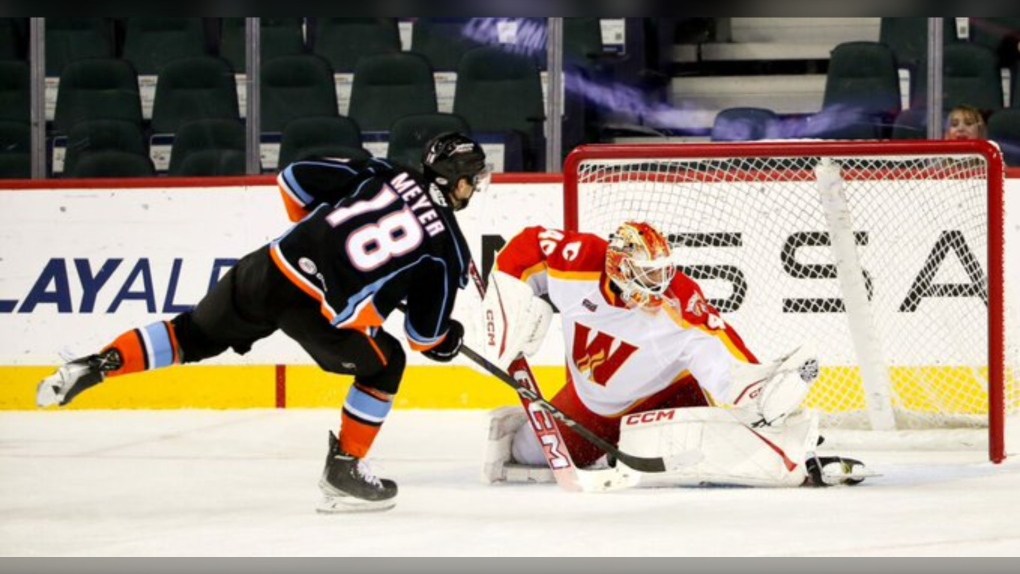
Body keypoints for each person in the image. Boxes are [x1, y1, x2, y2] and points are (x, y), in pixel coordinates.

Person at [35, 132, 492, 513]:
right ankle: (344, 469)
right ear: (457, 181)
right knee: (386, 363)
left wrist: (315, 236)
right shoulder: (447, 249)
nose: (474, 188)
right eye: (473, 180)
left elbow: (293, 180)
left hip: (270, 269)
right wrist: (449, 340)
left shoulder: (383, 172)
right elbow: (423, 336)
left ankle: (102, 362)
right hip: (320, 315)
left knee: (192, 333)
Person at [478, 221, 868, 488]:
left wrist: (759, 392)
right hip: (590, 403)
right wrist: (506, 304)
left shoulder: (680, 304)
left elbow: (725, 354)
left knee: (724, 437)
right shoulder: (576, 261)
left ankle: (804, 460)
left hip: (668, 395)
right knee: (526, 452)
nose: (660, 286)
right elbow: (526, 246)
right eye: (649, 276)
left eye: (664, 273)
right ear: (619, 268)